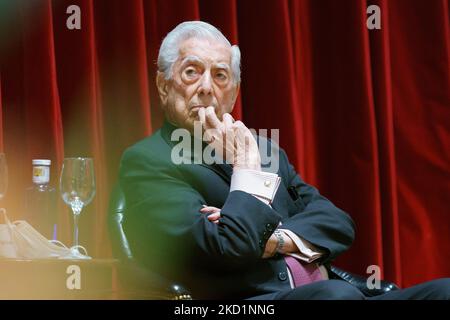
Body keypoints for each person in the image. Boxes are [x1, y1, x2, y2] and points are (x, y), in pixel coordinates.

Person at [119, 21, 450, 299]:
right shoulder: (148, 161)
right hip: (251, 302)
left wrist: (274, 239)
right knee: (336, 296)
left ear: (233, 92)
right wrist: (246, 170)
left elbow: (336, 222)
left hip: (332, 292)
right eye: (191, 72)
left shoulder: (266, 150)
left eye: (220, 76)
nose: (207, 88)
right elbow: (226, 248)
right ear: (164, 86)